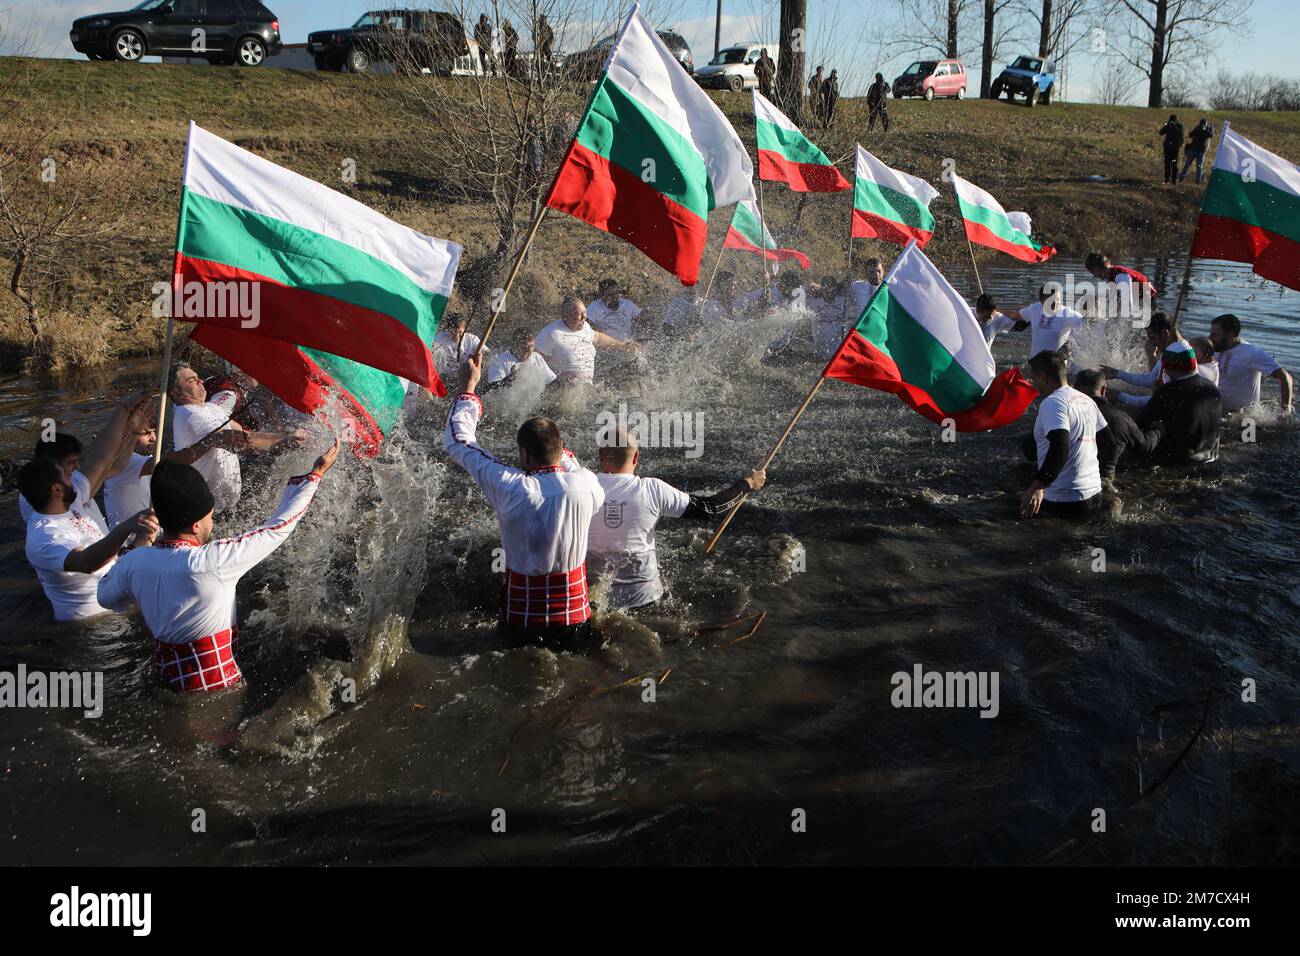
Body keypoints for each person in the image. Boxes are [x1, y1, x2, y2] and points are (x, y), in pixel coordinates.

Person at [98, 441, 340, 692]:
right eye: (210, 517)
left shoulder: (134, 563)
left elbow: (105, 597)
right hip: (219, 689)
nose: (211, 523)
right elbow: (278, 527)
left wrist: (139, 547)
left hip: (165, 684)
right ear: (195, 525)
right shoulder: (213, 561)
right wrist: (317, 473)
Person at [443, 354, 605, 652]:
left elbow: (459, 441)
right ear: (559, 449)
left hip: (522, 625)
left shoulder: (511, 488)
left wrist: (468, 388)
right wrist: (554, 447)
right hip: (575, 623)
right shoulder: (587, 484)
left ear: (525, 456)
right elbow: (568, 463)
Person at [587, 426, 766, 610]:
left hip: (595, 603)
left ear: (601, 455)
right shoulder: (651, 490)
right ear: (636, 457)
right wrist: (749, 483)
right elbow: (710, 509)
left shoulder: (583, 488)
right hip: (646, 601)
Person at [20, 456, 159, 623]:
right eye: (67, 476)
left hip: (117, 605)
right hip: (94, 625)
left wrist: (143, 538)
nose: (74, 475)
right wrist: (127, 527)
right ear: (57, 490)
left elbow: (101, 455)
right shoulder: (44, 537)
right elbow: (87, 562)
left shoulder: (70, 505)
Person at [169, 362, 303, 517]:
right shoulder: (190, 415)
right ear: (177, 393)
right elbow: (239, 442)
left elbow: (245, 433)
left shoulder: (209, 408)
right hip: (208, 513)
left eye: (198, 378)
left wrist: (286, 439)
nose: (200, 381)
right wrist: (286, 439)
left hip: (224, 508)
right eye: (192, 381)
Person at [1020, 350, 1114, 519]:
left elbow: (1060, 446)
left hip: (1064, 500)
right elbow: (1108, 442)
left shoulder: (1053, 402)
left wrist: (1037, 486)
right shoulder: (1087, 400)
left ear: (1044, 377)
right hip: (1094, 493)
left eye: (1034, 379)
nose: (1033, 384)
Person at [1132, 342, 1222, 465]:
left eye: (1166, 368)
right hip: (1211, 458)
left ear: (1171, 368)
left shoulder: (1169, 391)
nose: (1166, 372)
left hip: (1177, 462)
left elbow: (1141, 425)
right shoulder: (1213, 389)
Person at [1072, 368, 1162, 480]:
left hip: (1064, 480)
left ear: (1074, 387)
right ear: (1104, 389)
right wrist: (1157, 430)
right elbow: (1145, 446)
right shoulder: (1119, 418)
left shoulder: (1061, 413)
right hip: (1101, 481)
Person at [535, 296, 642, 384]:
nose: (584, 317)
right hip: (562, 392)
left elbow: (597, 338)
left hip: (585, 390)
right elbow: (534, 358)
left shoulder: (585, 327)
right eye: (579, 314)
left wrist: (622, 345)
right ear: (566, 316)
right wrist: (553, 380)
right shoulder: (551, 333)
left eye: (584, 312)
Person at [1209, 313, 1293, 415]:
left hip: (1244, 416)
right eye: (1211, 333)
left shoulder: (1251, 353)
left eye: (1215, 334)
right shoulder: (1215, 348)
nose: (1210, 337)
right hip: (1217, 409)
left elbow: (1285, 377)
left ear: (1230, 335)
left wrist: (1285, 412)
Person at [1098, 311, 1183, 408]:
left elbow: (1159, 401)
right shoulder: (1173, 349)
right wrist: (1116, 373)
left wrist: (1119, 396)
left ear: (1165, 333)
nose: (1150, 343)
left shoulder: (1177, 355)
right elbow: (1150, 379)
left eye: (1152, 337)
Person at [1006, 284, 1087, 363]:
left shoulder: (1068, 314)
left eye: (1058, 299)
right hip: (1035, 365)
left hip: (1056, 368)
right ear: (1042, 300)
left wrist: (1071, 345)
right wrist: (995, 311)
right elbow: (1015, 315)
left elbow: (1088, 328)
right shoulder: (1034, 309)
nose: (1055, 302)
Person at [1083, 251, 1158, 315]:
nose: (1094, 276)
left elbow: (1128, 305)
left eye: (1092, 272)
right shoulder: (1111, 277)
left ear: (1097, 269)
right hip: (1138, 300)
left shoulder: (1121, 276)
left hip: (1147, 302)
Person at [486, 330, 556, 389]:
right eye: (524, 346)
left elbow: (550, 382)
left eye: (531, 346)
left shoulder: (537, 358)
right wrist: (512, 378)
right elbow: (492, 390)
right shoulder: (500, 362)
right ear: (515, 345)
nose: (528, 350)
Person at [586, 278, 642, 343]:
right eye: (610, 295)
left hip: (627, 345)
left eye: (616, 293)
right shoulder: (594, 307)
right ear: (602, 295)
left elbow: (643, 320)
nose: (615, 297)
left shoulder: (627, 304)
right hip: (607, 347)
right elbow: (586, 328)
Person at [432, 314, 483, 378]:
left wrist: (482, 354)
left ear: (465, 329)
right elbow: (429, 350)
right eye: (453, 332)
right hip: (445, 376)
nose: (457, 336)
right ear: (448, 329)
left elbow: (486, 351)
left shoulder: (472, 339)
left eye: (460, 332)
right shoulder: (440, 338)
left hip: (466, 376)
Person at [811, 276, 848, 360]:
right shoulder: (813, 302)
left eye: (833, 290)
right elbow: (807, 285)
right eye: (827, 290)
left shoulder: (843, 301)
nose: (830, 292)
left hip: (837, 352)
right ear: (822, 290)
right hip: (819, 353)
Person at [1180, 118, 1214, 184]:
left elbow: (1211, 135)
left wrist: (1207, 128)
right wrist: (1196, 130)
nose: (1202, 125)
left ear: (1206, 124)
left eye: (1203, 124)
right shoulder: (1198, 127)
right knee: (1187, 164)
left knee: (1199, 166)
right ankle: (1182, 178)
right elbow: (1191, 134)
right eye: (1201, 124)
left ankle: (1197, 181)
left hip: (1201, 150)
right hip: (1193, 148)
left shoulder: (1209, 128)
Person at [1159, 114, 1184, 184]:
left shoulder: (1179, 126)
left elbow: (1180, 133)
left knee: (1174, 164)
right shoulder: (1168, 126)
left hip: (1175, 147)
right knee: (1167, 163)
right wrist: (1167, 126)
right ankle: (1166, 179)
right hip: (1167, 147)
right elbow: (1161, 132)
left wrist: (1174, 126)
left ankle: (1173, 180)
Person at [533, 14, 554, 82]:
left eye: (543, 20)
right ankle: (541, 75)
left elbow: (552, 37)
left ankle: (553, 73)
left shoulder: (548, 28)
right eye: (541, 20)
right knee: (539, 61)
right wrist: (537, 42)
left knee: (550, 60)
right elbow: (533, 37)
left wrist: (549, 44)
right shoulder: (537, 28)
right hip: (539, 47)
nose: (542, 22)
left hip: (546, 46)